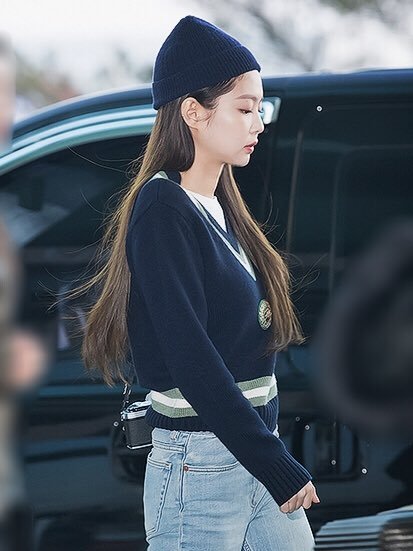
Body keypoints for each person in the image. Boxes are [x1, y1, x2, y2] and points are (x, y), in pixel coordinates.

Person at [71, 14, 320, 550]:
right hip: (200, 469)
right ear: (193, 112)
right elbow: (191, 358)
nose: (258, 124)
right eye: (245, 109)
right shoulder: (162, 210)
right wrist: (273, 462)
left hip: (252, 455)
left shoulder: (220, 207)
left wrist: (267, 454)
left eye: (259, 110)